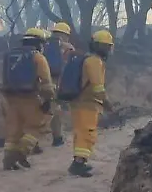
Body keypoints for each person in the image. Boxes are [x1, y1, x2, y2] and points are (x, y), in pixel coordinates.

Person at [2, 28, 56, 171]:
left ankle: (8, 159)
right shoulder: (38, 57)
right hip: (30, 97)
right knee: (37, 126)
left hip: (11, 98)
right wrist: (48, 99)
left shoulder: (9, 55)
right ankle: (21, 152)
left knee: (14, 130)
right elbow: (46, 82)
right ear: (39, 43)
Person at [69, 29, 114, 177]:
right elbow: (98, 87)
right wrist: (107, 103)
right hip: (87, 103)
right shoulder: (94, 61)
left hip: (80, 101)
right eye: (107, 46)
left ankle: (79, 161)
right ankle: (78, 164)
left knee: (81, 132)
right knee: (87, 133)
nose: (108, 50)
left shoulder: (87, 59)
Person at [43, 21, 77, 147]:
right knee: (52, 110)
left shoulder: (44, 44)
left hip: (42, 81)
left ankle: (57, 137)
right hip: (58, 82)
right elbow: (72, 68)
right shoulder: (68, 47)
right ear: (65, 34)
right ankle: (34, 139)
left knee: (52, 109)